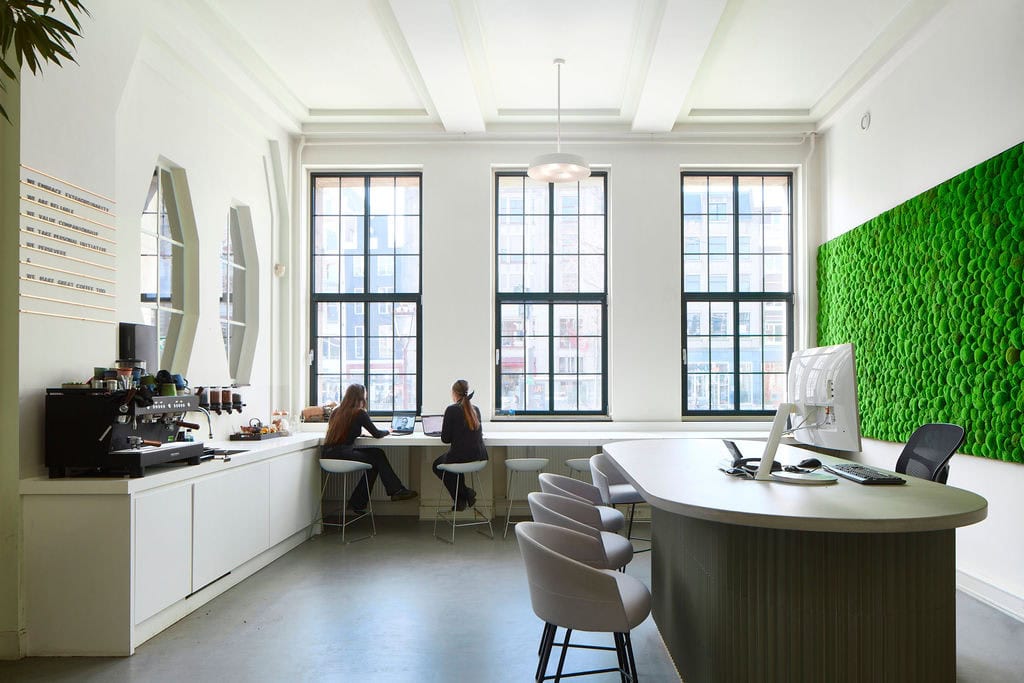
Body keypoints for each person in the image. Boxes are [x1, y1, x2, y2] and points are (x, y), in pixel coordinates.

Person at [323, 384, 417, 513]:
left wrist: (358, 434)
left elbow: (343, 432)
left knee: (375, 461)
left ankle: (358, 503)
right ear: (361, 396)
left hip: (328, 455)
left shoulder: (336, 411)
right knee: (377, 455)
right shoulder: (359, 412)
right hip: (342, 454)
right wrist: (389, 431)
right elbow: (377, 434)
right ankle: (395, 490)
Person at [432, 379, 488, 510]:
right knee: (455, 463)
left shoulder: (451, 409)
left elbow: (445, 439)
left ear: (454, 393)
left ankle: (465, 494)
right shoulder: (476, 409)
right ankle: (461, 498)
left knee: (437, 465)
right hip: (479, 456)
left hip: (460, 457)